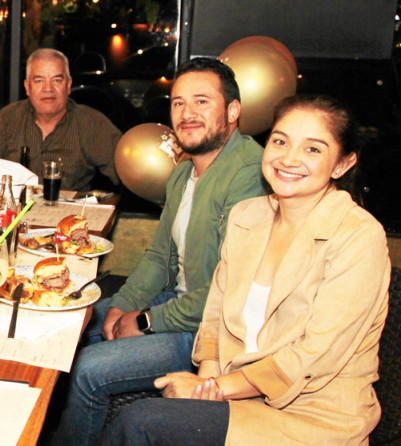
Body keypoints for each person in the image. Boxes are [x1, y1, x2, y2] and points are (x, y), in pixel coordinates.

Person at [103, 96, 390, 445]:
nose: (288, 158)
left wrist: (216, 387)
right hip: (237, 395)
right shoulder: (247, 216)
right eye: (280, 142)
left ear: (342, 164)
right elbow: (214, 320)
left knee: (140, 421)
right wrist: (205, 389)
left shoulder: (359, 237)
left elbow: (314, 356)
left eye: (312, 149)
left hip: (312, 416)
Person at [52, 58, 268, 444]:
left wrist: (146, 320)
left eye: (202, 101)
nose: (187, 113)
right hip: (177, 302)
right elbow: (159, 257)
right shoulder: (183, 173)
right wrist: (123, 306)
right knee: (67, 322)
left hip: (210, 333)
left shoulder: (250, 175)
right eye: (179, 103)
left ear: (233, 111)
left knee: (86, 370)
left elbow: (226, 293)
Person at [0, 48, 120, 192]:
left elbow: (128, 172)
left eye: (57, 80)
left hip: (70, 206)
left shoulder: (91, 124)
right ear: (27, 87)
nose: (48, 88)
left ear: (68, 85)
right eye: (39, 80)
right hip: (15, 205)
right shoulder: (8, 118)